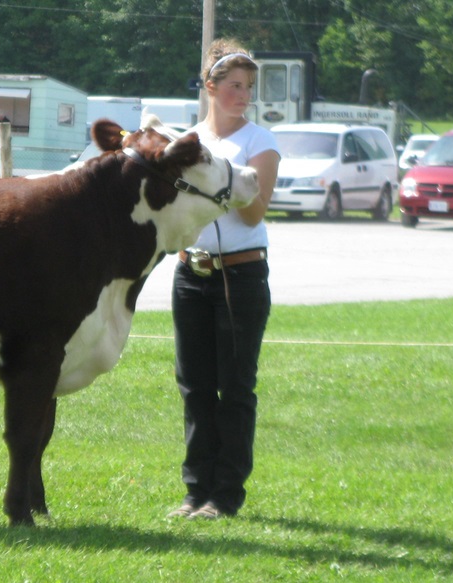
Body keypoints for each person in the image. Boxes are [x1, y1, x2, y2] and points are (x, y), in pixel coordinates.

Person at [166, 39, 280, 521]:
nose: (243, 94)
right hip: (191, 273)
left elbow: (253, 214)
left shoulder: (259, 143)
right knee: (194, 385)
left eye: (248, 87)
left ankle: (225, 495)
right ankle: (195, 491)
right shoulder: (190, 141)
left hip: (241, 274)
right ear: (209, 87)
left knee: (235, 387)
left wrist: (221, 179)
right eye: (233, 85)